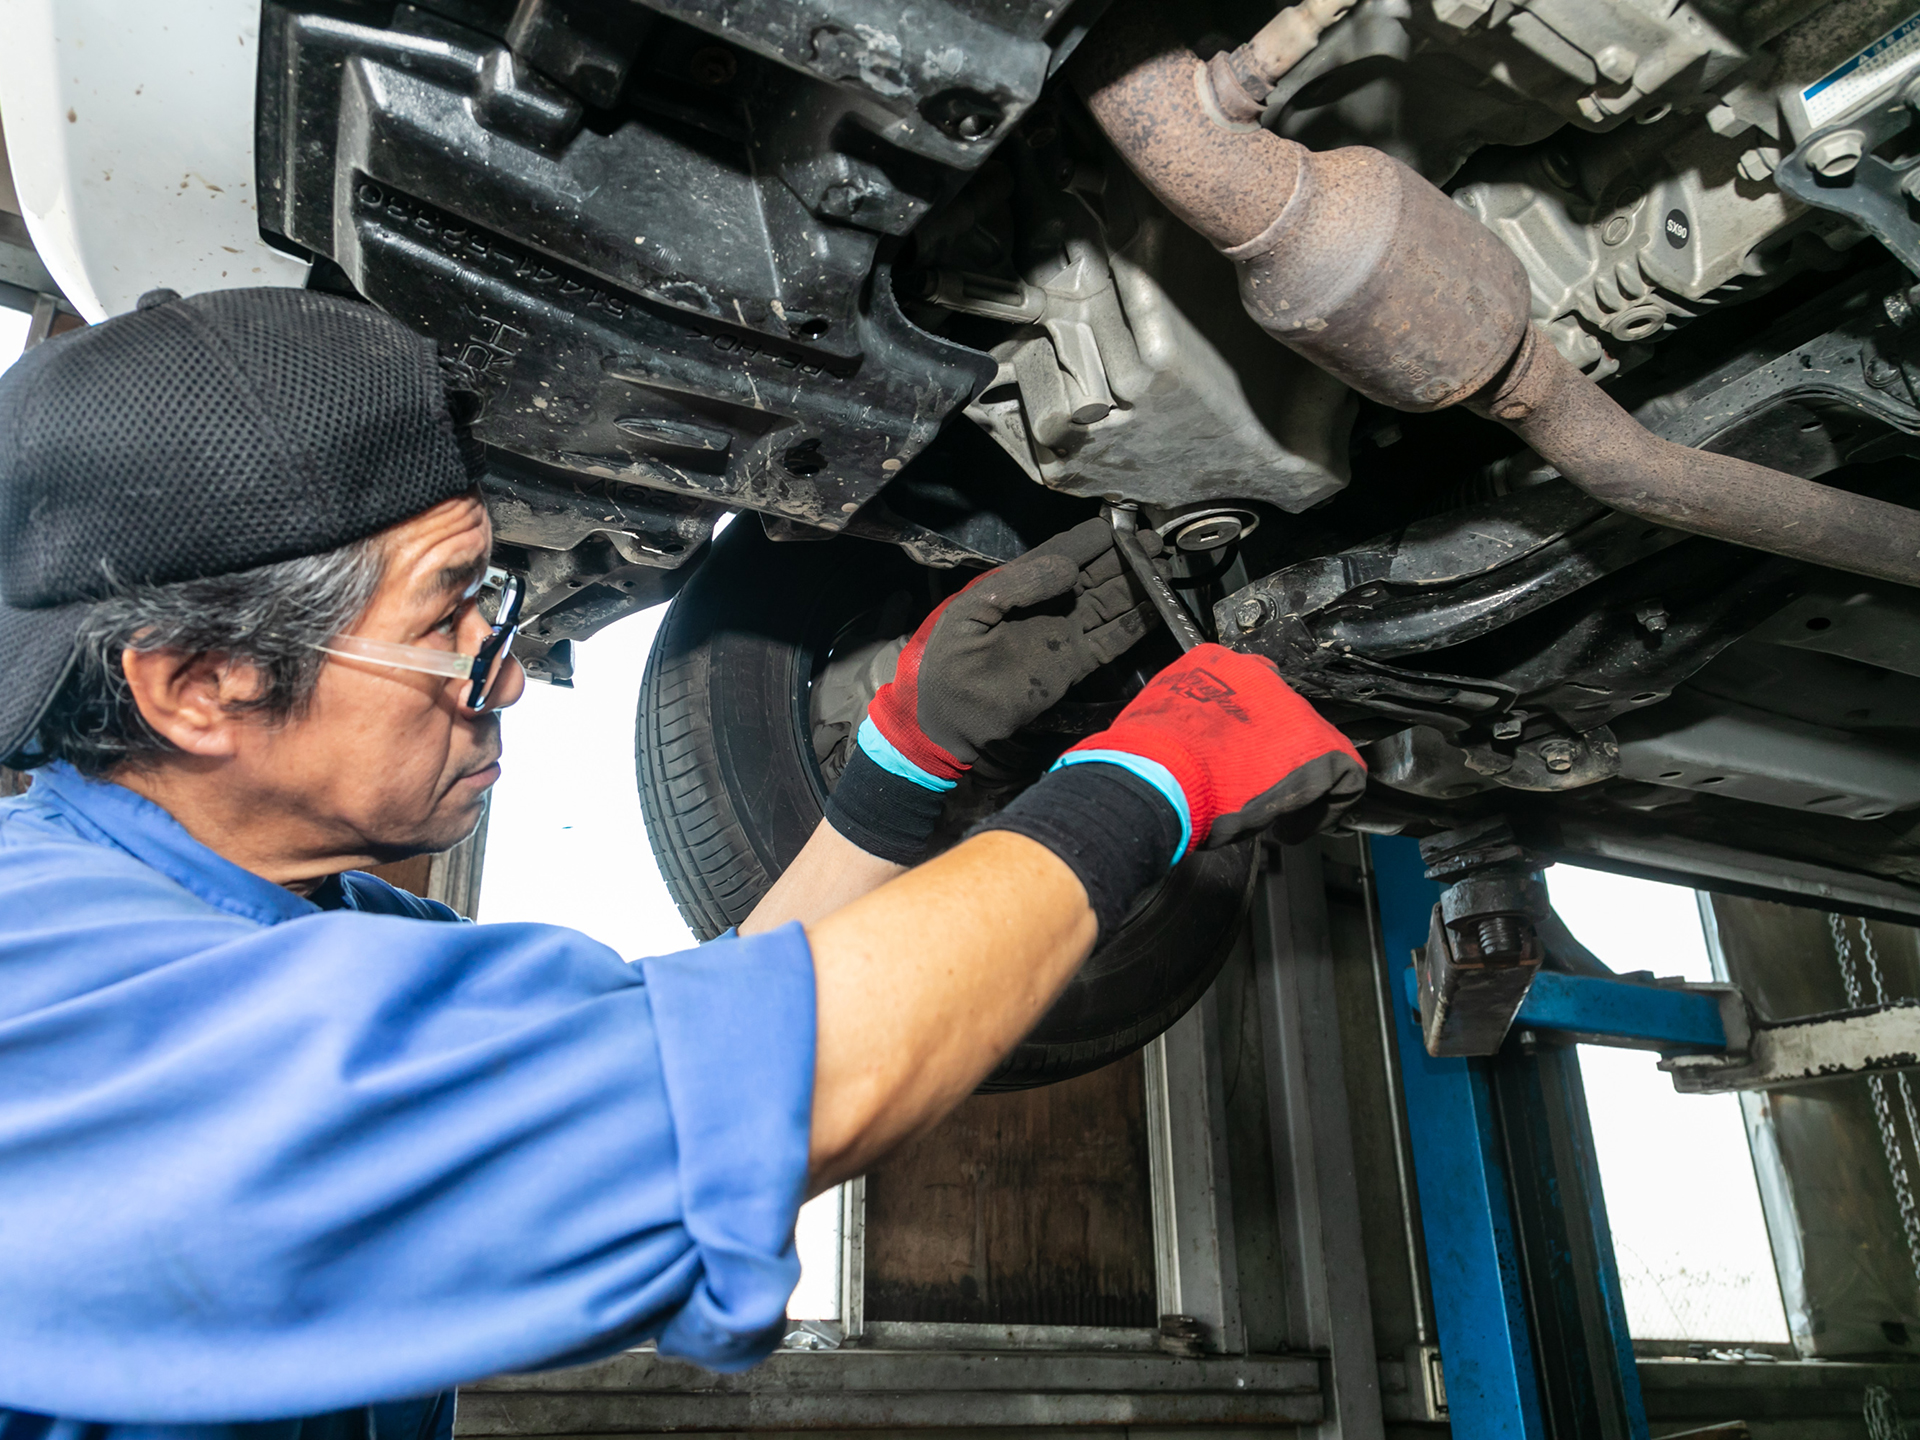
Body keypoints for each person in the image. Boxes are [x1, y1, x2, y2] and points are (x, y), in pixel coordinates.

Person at [0, 288, 1364, 1437]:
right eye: (450, 616)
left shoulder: (265, 924)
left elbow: (697, 1043)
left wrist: (903, 759)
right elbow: (777, 1095)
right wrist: (1148, 782)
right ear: (201, 687)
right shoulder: (59, 1006)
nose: (513, 675)